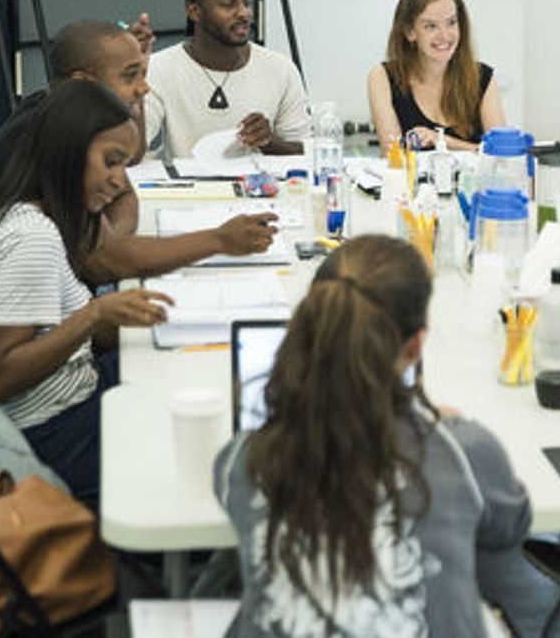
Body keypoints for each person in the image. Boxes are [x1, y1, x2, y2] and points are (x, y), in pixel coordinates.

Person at [214, 234, 539, 636]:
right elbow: (510, 528)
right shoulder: (464, 451)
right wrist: (432, 427)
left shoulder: (243, 458)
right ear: (416, 345)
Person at [0, 19, 279, 319]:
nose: (144, 88)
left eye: (143, 73)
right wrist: (218, 240)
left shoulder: (57, 109)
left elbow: (128, 168)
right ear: (83, 83)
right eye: (130, 76)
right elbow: (105, 264)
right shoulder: (51, 138)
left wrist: (110, 244)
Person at [0, 80, 174, 505]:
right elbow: (1, 376)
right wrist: (94, 315)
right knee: (196, 437)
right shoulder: (32, 239)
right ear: (69, 151)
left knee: (178, 371)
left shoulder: (36, 215)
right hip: (51, 434)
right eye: (111, 162)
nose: (120, 181)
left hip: (72, 394)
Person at [145, 0, 311, 159]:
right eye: (228, 4)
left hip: (259, 179)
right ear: (194, 11)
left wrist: (269, 142)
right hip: (189, 180)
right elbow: (129, 152)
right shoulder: (159, 68)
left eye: (247, 3)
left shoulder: (280, 69)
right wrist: (130, 74)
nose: (244, 13)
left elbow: (305, 152)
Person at [368, 0, 506, 152]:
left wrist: (440, 140)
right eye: (431, 26)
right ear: (410, 32)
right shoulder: (382, 77)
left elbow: (501, 154)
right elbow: (393, 153)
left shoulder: (483, 78)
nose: (445, 36)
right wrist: (468, 148)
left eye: (451, 23)